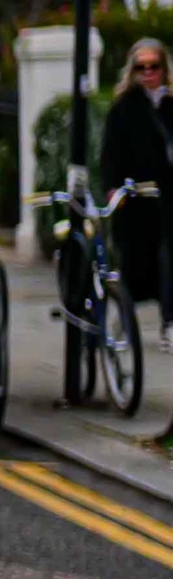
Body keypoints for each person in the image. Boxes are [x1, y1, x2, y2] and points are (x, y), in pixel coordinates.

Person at [99, 38, 171, 351]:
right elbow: (110, 153)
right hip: (137, 199)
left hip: (168, 197)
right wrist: (114, 188)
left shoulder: (171, 104)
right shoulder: (124, 108)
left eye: (154, 66)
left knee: (170, 259)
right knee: (132, 263)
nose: (148, 73)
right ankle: (125, 322)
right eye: (141, 67)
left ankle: (169, 322)